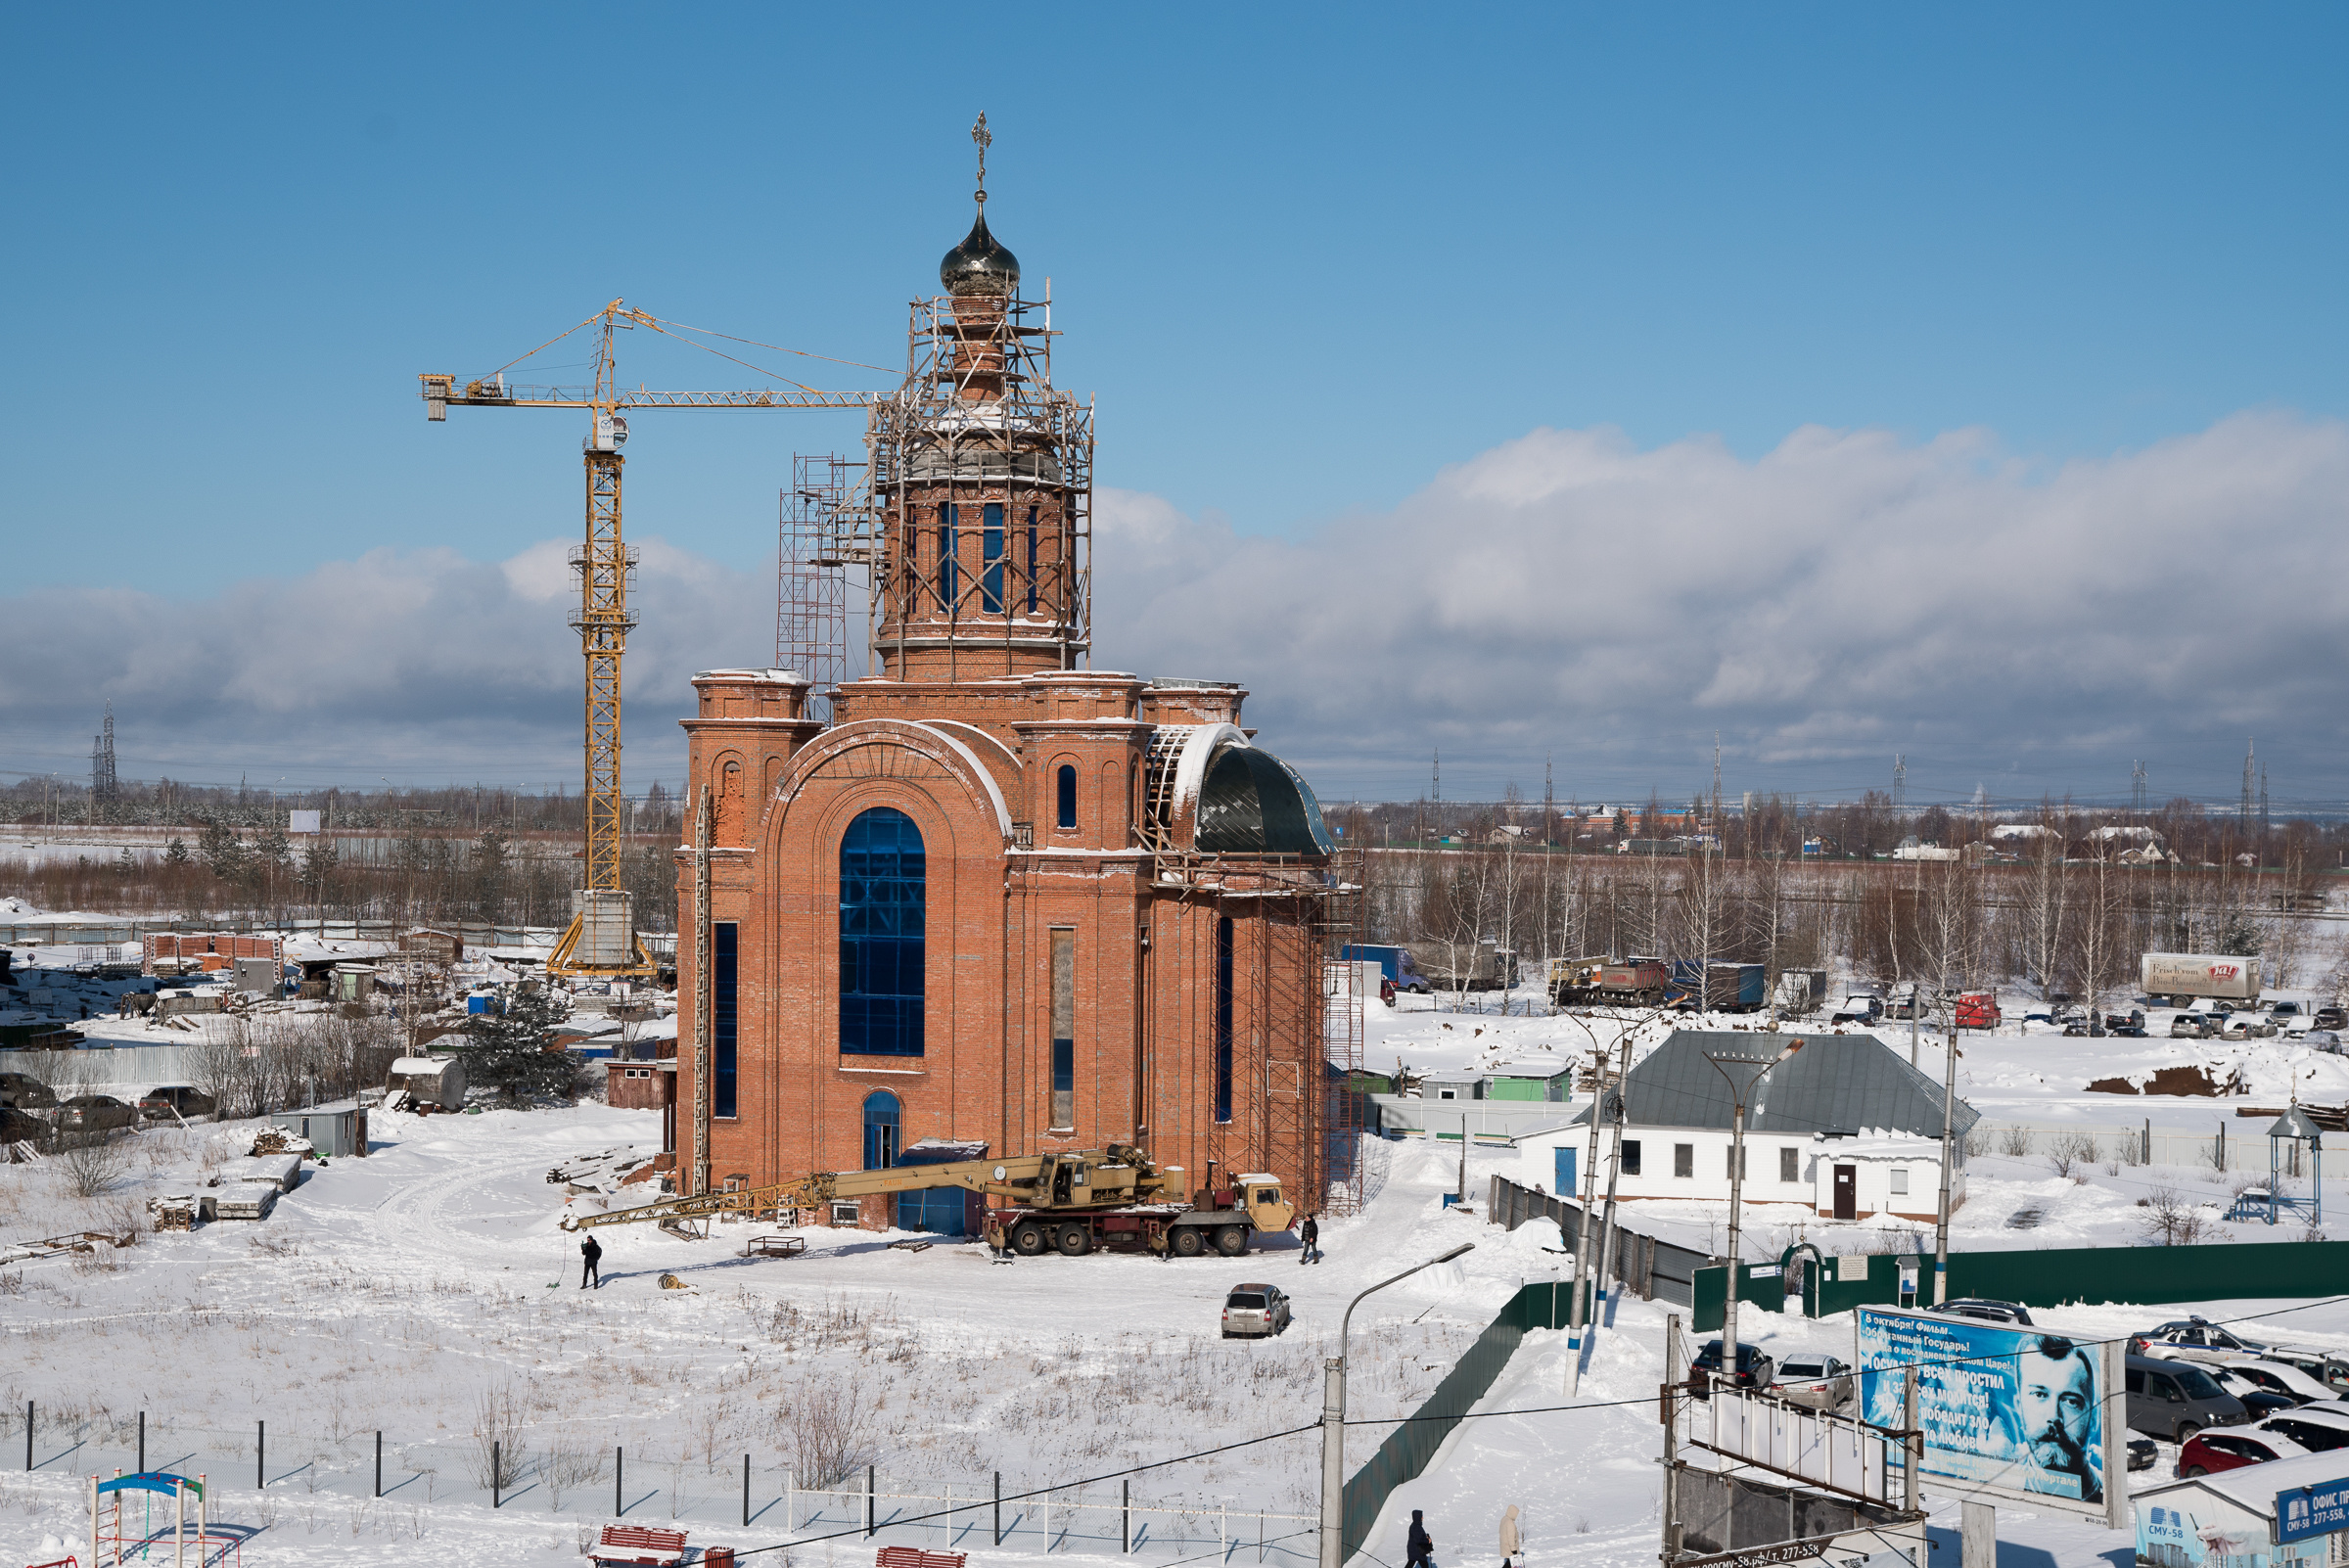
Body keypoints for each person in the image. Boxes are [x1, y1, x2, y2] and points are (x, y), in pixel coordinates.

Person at [2013, 1335, 2100, 1503]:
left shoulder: (2104, 1496)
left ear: (2094, 1418)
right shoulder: (2002, 1483)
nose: (2054, 1417)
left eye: (2071, 1401)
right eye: (2039, 1394)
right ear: (2019, 1407)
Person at [1498, 1504, 1521, 1568]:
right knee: (1513, 1563)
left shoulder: (1504, 1519)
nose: (1516, 1516)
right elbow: (1511, 1537)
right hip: (1510, 1549)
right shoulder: (1510, 1523)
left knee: (1509, 1563)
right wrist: (1514, 1550)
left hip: (1505, 1547)